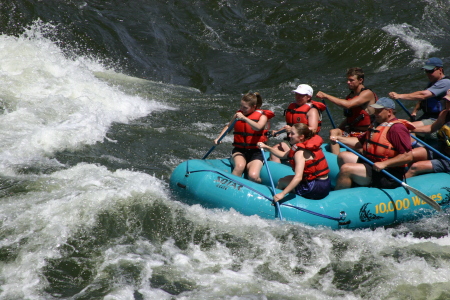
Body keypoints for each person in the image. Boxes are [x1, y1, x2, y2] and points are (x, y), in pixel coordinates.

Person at [331, 97, 415, 190]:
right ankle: (351, 184)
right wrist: (338, 139)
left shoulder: (397, 129)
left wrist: (385, 164)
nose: (375, 114)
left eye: (378, 111)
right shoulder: (377, 124)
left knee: (346, 169)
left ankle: (340, 197)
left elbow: (407, 156)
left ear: (389, 112)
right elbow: (359, 142)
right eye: (375, 111)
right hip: (372, 164)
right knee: (343, 156)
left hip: (387, 173)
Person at [258, 123, 331, 201]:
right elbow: (283, 155)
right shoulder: (305, 145)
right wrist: (266, 147)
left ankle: (275, 201)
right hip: (325, 183)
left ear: (301, 137)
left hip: (314, 187)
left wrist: (282, 194)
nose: (289, 136)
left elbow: (298, 177)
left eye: (292, 134)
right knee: (284, 179)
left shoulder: (299, 153)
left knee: (281, 182)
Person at [214, 92, 274, 183]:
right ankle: (231, 188)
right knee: (239, 167)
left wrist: (245, 118)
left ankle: (261, 187)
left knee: (253, 176)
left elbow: (258, 127)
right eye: (241, 106)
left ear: (254, 106)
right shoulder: (238, 115)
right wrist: (219, 138)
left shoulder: (263, 116)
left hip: (256, 152)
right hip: (239, 150)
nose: (242, 109)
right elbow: (228, 127)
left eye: (245, 107)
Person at [316, 67, 377, 155]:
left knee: (336, 138)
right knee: (333, 132)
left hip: (364, 134)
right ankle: (336, 159)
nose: (348, 82)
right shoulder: (351, 95)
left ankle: (344, 158)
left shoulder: (367, 93)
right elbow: (351, 118)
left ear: (360, 80)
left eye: (351, 80)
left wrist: (326, 96)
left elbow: (348, 104)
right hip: (352, 132)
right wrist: (339, 129)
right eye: (348, 80)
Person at [269, 84, 326, 163]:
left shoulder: (312, 111)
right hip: (293, 140)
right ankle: (278, 172)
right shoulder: (293, 107)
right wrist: (278, 131)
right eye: (297, 94)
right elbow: (291, 126)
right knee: (274, 150)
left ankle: (295, 167)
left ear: (308, 97)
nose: (298, 97)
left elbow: (313, 128)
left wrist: (292, 129)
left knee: (289, 153)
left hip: (305, 141)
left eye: (301, 95)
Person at [389, 57, 450, 128]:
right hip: (428, 116)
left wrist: (399, 96)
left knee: (405, 128)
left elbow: (423, 95)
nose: (428, 74)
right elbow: (422, 99)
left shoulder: (445, 83)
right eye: (426, 71)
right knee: (400, 125)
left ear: (440, 70)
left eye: (430, 71)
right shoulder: (432, 82)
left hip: (439, 119)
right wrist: (414, 112)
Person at [406, 105, 450, 178]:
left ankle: (399, 187)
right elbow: (431, 128)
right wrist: (410, 130)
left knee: (415, 167)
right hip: (442, 148)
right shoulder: (445, 113)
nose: (448, 103)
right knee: (410, 155)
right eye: (447, 101)